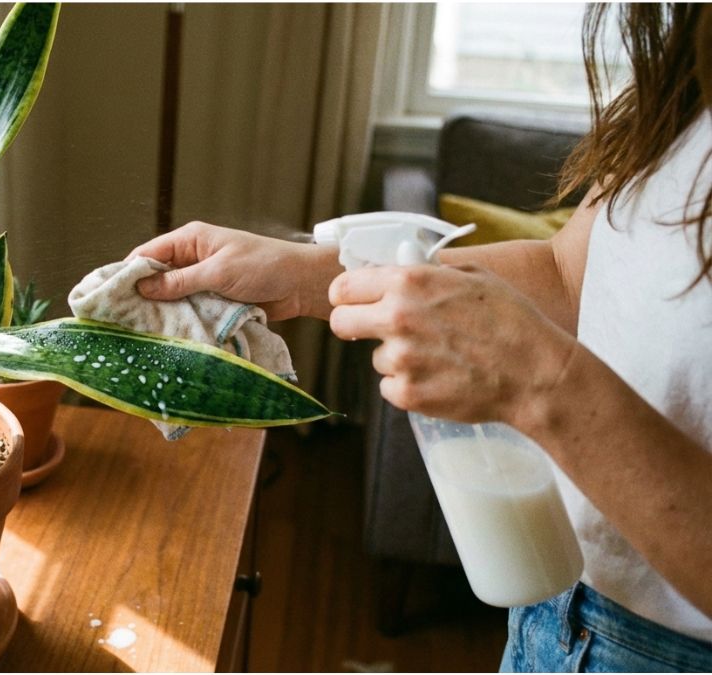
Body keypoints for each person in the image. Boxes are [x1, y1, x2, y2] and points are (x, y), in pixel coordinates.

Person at [129, 4, 712, 672]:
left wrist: (543, 382)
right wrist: (305, 273)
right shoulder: (686, 80)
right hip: (563, 602)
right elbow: (569, 275)